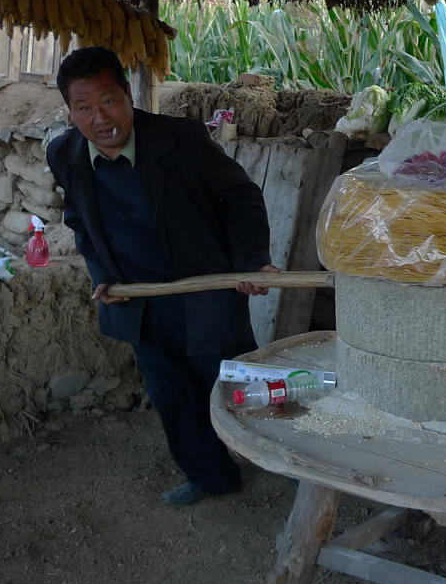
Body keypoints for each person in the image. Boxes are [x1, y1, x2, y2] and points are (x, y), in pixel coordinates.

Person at [47, 46, 279, 506]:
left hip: (205, 292)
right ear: (71, 111)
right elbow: (79, 221)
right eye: (84, 108)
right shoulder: (65, 155)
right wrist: (103, 275)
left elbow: (242, 197)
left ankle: (295, 470)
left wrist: (250, 259)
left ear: (128, 94)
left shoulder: (182, 140)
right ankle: (211, 477)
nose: (100, 118)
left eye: (109, 101)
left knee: (240, 387)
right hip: (140, 303)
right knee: (174, 398)